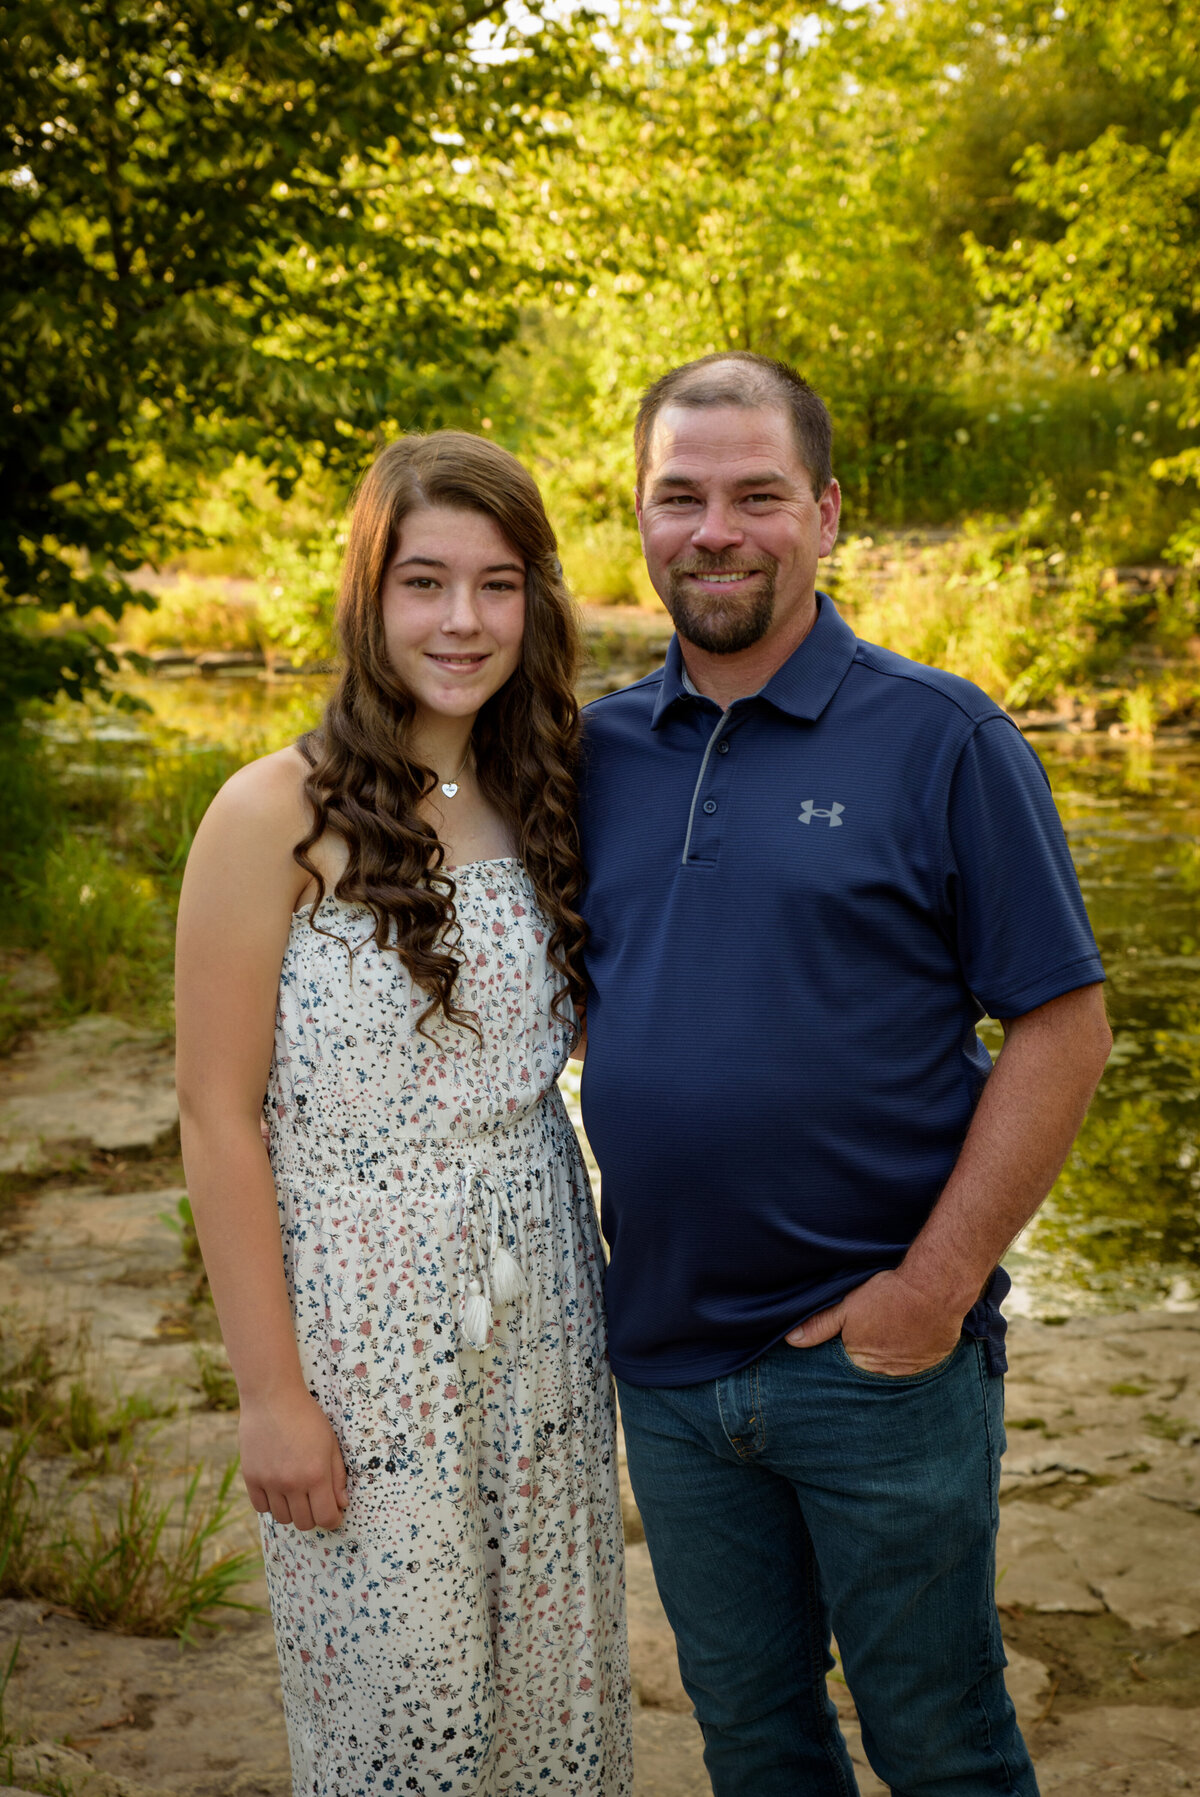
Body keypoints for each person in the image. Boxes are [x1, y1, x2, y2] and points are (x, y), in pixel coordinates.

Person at [576, 352, 1111, 1796]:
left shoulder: (944, 738)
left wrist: (930, 1292)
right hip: (672, 1369)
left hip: (880, 1367)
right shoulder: (596, 749)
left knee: (941, 1742)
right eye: (679, 496)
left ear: (826, 513)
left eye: (757, 493)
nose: (715, 530)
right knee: (755, 1744)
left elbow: (1065, 1025)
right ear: (639, 514)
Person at [176, 432, 631, 1797]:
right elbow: (213, 1113)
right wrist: (271, 1396)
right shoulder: (272, 813)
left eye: (498, 585)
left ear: (536, 602)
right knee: (402, 1721)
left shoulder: (551, 794)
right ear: (368, 596)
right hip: (361, 1338)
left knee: (554, 1707)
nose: (462, 621)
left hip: (542, 1308)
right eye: (424, 582)